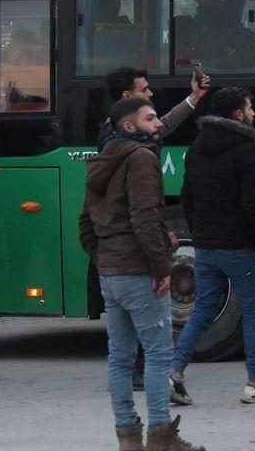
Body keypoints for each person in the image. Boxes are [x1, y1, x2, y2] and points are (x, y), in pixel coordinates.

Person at [81, 96, 204, 451]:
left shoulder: (101, 160)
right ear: (130, 126)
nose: (158, 124)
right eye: (151, 118)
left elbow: (85, 223)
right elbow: (146, 217)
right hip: (138, 271)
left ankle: (128, 438)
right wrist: (161, 266)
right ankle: (162, 437)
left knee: (120, 356)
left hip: (111, 271)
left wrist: (104, 257)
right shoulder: (142, 158)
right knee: (158, 354)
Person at [168, 85, 255, 407]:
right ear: (237, 114)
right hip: (239, 247)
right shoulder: (247, 150)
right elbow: (254, 204)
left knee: (203, 311)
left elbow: (187, 198)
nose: (254, 114)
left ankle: (175, 373)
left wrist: (200, 232)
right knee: (253, 312)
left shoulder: (196, 148)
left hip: (206, 247)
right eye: (250, 108)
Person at [101, 66, 207, 144]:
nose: (150, 93)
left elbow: (165, 125)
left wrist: (195, 96)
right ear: (127, 96)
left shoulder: (122, 132)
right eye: (144, 90)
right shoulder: (117, 137)